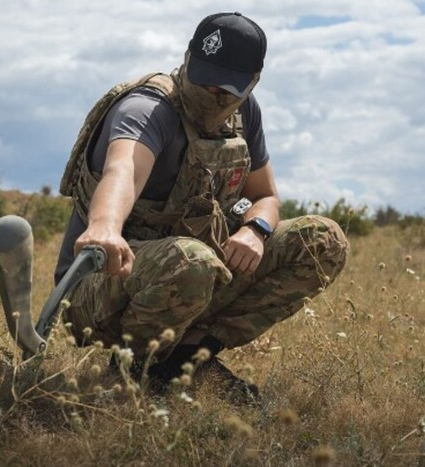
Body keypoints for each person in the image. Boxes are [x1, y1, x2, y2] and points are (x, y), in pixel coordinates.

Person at [54, 12, 349, 399]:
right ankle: (134, 368)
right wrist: (105, 227)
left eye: (225, 87)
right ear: (188, 58)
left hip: (193, 272)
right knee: (191, 261)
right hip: (101, 283)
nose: (211, 91)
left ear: (251, 83)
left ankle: (188, 356)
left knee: (322, 240)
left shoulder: (245, 113)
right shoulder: (147, 108)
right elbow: (123, 168)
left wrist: (255, 231)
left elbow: (266, 197)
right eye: (203, 76)